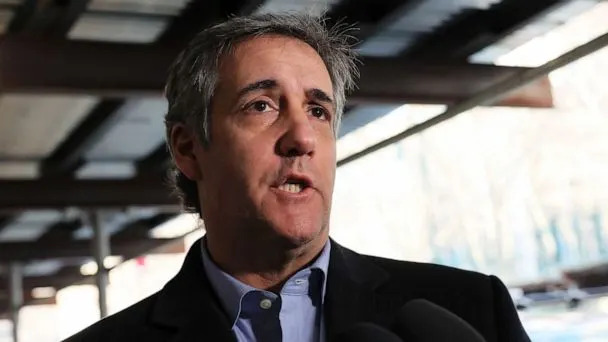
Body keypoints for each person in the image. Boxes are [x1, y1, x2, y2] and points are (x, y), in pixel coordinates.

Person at [65, 13, 530, 342]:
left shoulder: (469, 309)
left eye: (318, 110)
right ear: (188, 149)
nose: (302, 137)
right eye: (261, 106)